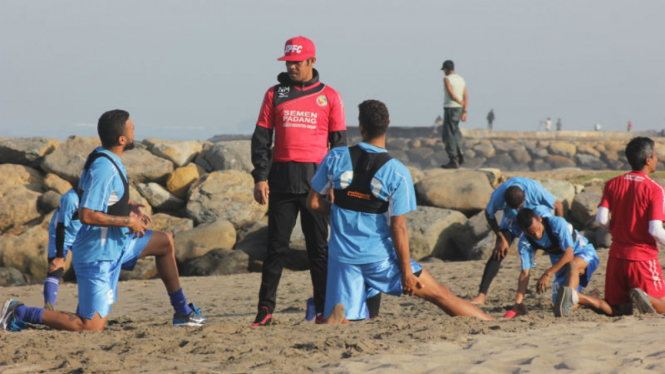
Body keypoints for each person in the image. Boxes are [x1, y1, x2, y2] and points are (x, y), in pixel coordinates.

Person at [1, 110, 205, 332]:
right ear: (122, 139)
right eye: (132, 126)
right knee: (90, 326)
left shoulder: (104, 157)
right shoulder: (104, 168)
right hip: (97, 256)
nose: (135, 128)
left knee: (165, 242)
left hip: (117, 246)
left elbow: (95, 197)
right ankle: (18, 311)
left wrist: (128, 206)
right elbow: (87, 214)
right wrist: (129, 221)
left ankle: (183, 312)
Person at [308, 99, 493, 323]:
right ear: (388, 124)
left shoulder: (335, 157)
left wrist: (339, 209)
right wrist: (405, 271)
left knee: (349, 315)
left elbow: (313, 203)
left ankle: (341, 317)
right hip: (380, 260)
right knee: (441, 295)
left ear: (361, 127)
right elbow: (399, 227)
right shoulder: (396, 171)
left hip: (343, 258)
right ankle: (492, 324)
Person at [250, 36, 347, 326]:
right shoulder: (274, 94)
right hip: (281, 182)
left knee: (318, 250)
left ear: (311, 62)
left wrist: (336, 187)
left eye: (297, 62)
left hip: (316, 186)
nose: (292, 67)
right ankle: (265, 311)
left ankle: (322, 309)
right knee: (275, 249)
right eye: (288, 62)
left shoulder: (330, 96)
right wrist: (260, 177)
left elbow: (339, 147)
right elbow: (261, 139)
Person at [557, 137, 665, 317]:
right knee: (662, 303)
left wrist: (616, 230)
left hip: (616, 256)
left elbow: (601, 218)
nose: (657, 159)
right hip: (642, 258)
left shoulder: (613, 184)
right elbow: (655, 229)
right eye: (655, 155)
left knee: (618, 310)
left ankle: (578, 297)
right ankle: (643, 295)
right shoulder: (654, 189)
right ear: (648, 160)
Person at [470, 177, 564, 305]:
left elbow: (558, 205)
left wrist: (558, 231)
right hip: (512, 219)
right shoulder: (498, 196)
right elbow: (489, 214)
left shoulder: (533, 189)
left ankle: (566, 288)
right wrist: (501, 237)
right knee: (499, 250)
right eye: (515, 207)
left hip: (535, 214)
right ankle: (481, 295)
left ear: (525, 196)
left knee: (557, 247)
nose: (518, 209)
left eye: (519, 206)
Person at [508, 208, 599, 318]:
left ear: (540, 219)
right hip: (561, 265)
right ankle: (589, 298)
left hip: (584, 254)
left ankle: (576, 299)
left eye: (538, 229)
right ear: (523, 230)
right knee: (558, 305)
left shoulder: (556, 223)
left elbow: (569, 254)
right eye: (532, 234)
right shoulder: (524, 243)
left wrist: (547, 273)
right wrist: (517, 303)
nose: (537, 235)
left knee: (572, 266)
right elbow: (524, 273)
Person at [43, 189, 81, 310]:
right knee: (55, 269)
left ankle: (85, 309)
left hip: (81, 234)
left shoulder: (96, 194)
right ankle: (49, 307)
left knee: (88, 270)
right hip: (61, 233)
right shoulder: (71, 199)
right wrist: (59, 257)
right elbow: (61, 227)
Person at [440, 60, 467, 169]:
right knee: (454, 132)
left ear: (446, 69)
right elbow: (466, 95)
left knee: (448, 134)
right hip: (459, 109)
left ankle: (453, 159)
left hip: (450, 107)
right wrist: (465, 110)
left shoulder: (447, 79)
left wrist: (458, 101)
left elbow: (451, 93)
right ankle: (460, 155)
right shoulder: (461, 79)